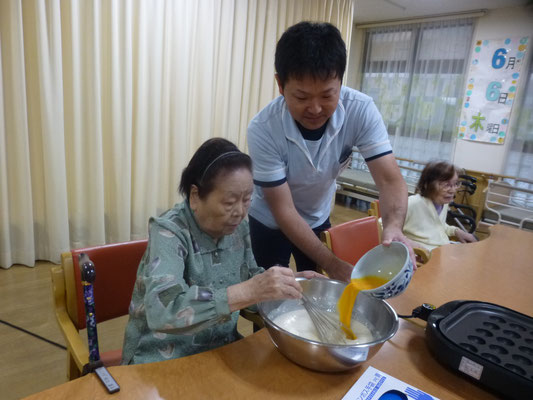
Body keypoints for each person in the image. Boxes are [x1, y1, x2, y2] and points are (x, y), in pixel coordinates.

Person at [122, 138, 321, 365]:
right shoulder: (170, 231)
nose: (239, 212)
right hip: (161, 358)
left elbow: (250, 278)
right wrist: (248, 291)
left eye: (247, 200)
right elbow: (162, 312)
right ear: (195, 196)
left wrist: (290, 283)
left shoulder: (238, 228)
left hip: (220, 349)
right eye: (229, 202)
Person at [247, 21, 414, 282]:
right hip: (270, 220)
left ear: (340, 80)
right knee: (273, 291)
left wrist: (393, 226)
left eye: (327, 95)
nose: (315, 109)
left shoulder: (360, 109)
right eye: (301, 97)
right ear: (280, 85)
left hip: (318, 215)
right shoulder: (264, 128)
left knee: (320, 289)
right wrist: (332, 263)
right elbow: (284, 211)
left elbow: (390, 180)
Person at [403, 161, 477, 251]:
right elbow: (385, 227)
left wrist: (456, 231)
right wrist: (410, 244)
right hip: (422, 258)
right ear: (427, 184)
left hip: (442, 252)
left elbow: (437, 226)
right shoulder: (412, 203)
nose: (453, 190)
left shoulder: (443, 203)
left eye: (456, 184)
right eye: (446, 185)